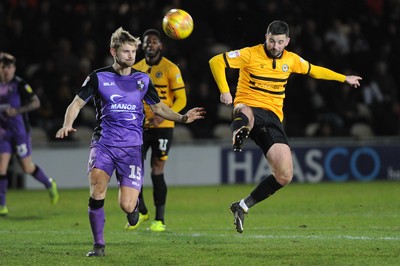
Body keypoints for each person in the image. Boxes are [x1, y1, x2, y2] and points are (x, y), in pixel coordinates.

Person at [55, 27, 204, 257]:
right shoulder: (98, 77)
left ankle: (133, 208)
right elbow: (75, 104)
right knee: (97, 189)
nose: (131, 56)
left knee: (126, 205)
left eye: (133, 51)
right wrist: (67, 124)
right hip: (104, 144)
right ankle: (98, 245)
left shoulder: (142, 80)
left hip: (132, 148)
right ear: (113, 51)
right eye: (126, 51)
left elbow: (159, 107)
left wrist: (183, 117)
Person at [209, 20, 362, 233]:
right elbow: (216, 61)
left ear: (287, 41)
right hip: (248, 105)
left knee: (284, 175)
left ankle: (242, 206)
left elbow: (314, 71)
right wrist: (224, 90)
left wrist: (343, 78)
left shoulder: (291, 60)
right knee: (245, 112)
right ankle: (238, 133)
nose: (275, 46)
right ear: (266, 36)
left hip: (273, 118)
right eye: (272, 41)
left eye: (280, 42)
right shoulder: (249, 54)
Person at [126, 29, 187, 232]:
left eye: (154, 42)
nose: (150, 45)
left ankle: (159, 219)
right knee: (135, 171)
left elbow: (182, 99)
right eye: (147, 42)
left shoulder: (170, 68)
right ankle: (142, 211)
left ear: (160, 45)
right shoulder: (135, 69)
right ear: (142, 46)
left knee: (157, 170)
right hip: (140, 128)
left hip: (163, 128)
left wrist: (165, 114)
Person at [0, 52, 59, 217]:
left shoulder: (19, 84)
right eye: (4, 67)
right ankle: (2, 205)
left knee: (26, 167)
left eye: (10, 67)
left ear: (14, 69)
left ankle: (49, 184)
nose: (7, 71)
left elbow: (36, 102)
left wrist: (17, 111)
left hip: (19, 132)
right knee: (1, 167)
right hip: (3, 133)